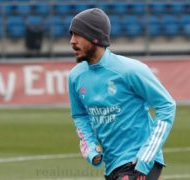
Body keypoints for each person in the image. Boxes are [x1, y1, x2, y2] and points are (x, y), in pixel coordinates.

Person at [68, 8, 176, 180]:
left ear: (95, 37)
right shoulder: (75, 77)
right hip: (113, 166)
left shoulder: (130, 70)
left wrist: (146, 155)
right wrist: (89, 147)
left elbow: (166, 105)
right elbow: (80, 116)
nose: (72, 41)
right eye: (71, 35)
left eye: (78, 35)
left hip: (138, 162)